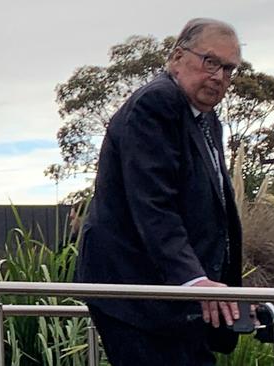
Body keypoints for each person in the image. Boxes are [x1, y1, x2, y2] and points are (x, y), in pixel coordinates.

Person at [75, 18, 244, 365]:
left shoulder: (205, 117)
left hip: (175, 299)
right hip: (137, 292)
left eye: (229, 69)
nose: (219, 76)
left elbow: (213, 214)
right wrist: (194, 279)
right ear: (177, 57)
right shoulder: (157, 104)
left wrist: (225, 288)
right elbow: (153, 205)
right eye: (210, 61)